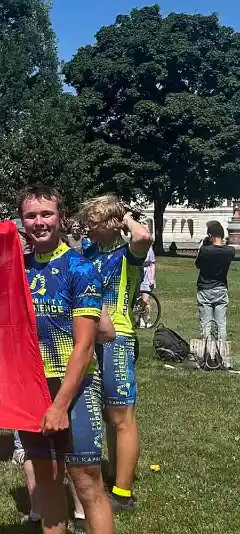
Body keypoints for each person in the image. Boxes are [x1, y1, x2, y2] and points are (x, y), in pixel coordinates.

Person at [5, 185, 117, 534]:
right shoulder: (15, 268)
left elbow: (86, 346)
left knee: (87, 483)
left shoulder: (80, 267)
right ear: (22, 221)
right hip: (29, 389)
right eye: (31, 216)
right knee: (46, 480)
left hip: (72, 388)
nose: (39, 223)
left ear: (61, 217)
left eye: (46, 214)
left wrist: (60, 402)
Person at [80, 196, 152, 514]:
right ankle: (113, 473)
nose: (88, 229)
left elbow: (143, 236)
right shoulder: (91, 252)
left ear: (111, 225)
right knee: (107, 415)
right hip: (90, 337)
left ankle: (123, 493)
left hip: (118, 340)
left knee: (122, 417)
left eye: (94, 224)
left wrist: (124, 217)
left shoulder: (129, 255)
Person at [195, 220, 235, 342]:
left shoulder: (205, 250)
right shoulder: (230, 251)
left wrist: (203, 245)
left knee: (206, 323)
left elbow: (197, 264)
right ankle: (222, 352)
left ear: (210, 236)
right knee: (221, 323)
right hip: (221, 288)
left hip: (205, 288)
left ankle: (208, 351)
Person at [137, 247, 156, 328]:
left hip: (147, 275)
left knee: (146, 300)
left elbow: (152, 264)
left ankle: (147, 320)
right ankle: (140, 319)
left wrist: (151, 279)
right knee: (138, 299)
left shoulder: (149, 249)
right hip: (137, 272)